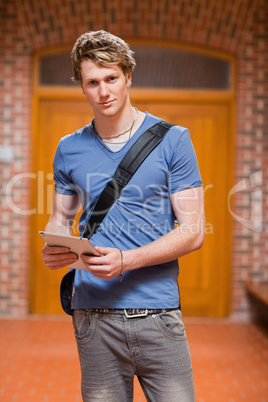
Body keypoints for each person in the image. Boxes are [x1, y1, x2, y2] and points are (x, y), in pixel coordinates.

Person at [42, 30, 205, 402]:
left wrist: (126, 261)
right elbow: (59, 219)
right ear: (82, 87)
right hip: (93, 317)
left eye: (111, 78)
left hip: (158, 314)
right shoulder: (68, 148)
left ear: (128, 76)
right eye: (92, 82)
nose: (104, 91)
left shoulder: (173, 139)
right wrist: (55, 246)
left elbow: (193, 231)